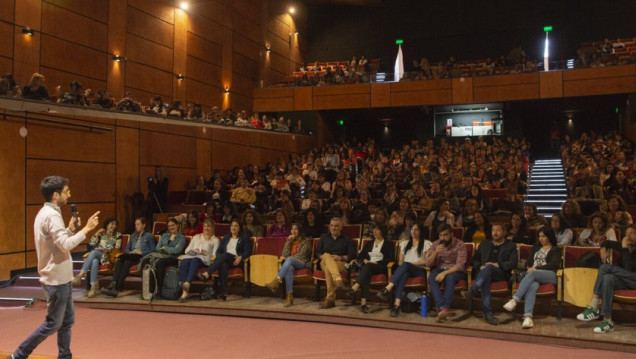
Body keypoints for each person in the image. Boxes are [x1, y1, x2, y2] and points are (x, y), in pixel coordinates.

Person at [9, 176, 100, 359]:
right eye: (67, 191)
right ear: (56, 195)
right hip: (56, 279)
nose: (69, 195)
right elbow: (65, 246)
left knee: (66, 322)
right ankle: (18, 355)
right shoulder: (51, 215)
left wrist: (69, 229)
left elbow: (56, 243)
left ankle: (64, 356)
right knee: (52, 324)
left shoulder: (46, 213)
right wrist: (86, 230)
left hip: (61, 277)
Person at [576, 225, 636, 333]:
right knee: (608, 278)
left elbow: (630, 266)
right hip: (627, 280)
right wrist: (603, 250)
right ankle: (607, 320)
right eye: (627, 234)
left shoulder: (625, 246)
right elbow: (605, 243)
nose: (629, 236)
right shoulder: (625, 244)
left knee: (605, 267)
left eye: (632, 233)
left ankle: (594, 305)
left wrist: (625, 249)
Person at [503, 226, 562, 329]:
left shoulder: (556, 249)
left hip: (550, 275)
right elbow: (529, 263)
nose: (541, 239)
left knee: (533, 274)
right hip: (533, 276)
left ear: (549, 236)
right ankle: (528, 317)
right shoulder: (535, 248)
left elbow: (554, 265)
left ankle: (515, 300)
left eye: (543, 236)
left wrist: (536, 269)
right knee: (532, 286)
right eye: (539, 236)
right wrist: (530, 268)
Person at [462, 223, 518, 325]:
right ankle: (487, 314)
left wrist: (498, 264)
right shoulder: (485, 244)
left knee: (490, 267)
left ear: (504, 232)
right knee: (486, 279)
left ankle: (473, 290)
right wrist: (480, 266)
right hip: (484, 274)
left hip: (500, 274)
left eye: (498, 230)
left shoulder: (510, 246)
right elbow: (474, 260)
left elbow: (513, 263)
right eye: (493, 230)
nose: (495, 233)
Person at [376, 223, 431, 317]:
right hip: (407, 270)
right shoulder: (405, 244)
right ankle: (396, 305)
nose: (413, 232)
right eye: (412, 229)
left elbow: (426, 261)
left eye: (416, 229)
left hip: (419, 270)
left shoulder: (426, 243)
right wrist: (407, 265)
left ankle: (387, 288)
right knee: (404, 274)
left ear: (420, 232)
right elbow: (400, 262)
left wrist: (411, 264)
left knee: (406, 265)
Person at [200, 220, 252, 300]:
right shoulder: (226, 237)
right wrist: (220, 258)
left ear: (239, 228)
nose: (233, 228)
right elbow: (218, 251)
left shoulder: (244, 238)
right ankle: (224, 293)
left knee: (226, 254)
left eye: (236, 226)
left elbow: (248, 252)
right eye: (232, 226)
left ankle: (207, 273)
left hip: (237, 261)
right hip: (226, 259)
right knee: (223, 264)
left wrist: (241, 257)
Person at [103, 217, 156, 297]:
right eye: (135, 224)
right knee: (120, 259)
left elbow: (153, 250)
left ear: (144, 225)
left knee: (126, 261)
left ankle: (117, 287)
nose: (136, 226)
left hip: (142, 256)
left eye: (138, 224)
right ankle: (114, 284)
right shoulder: (133, 236)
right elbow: (127, 249)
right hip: (132, 255)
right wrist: (130, 252)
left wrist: (141, 252)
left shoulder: (149, 236)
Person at [347, 226, 394, 313]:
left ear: (382, 231)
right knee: (367, 271)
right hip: (368, 267)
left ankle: (355, 287)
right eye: (374, 230)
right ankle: (363, 304)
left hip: (380, 267)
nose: (374, 232)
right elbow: (360, 256)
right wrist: (364, 260)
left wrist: (378, 262)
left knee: (367, 267)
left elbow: (391, 259)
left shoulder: (388, 244)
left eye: (377, 230)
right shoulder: (369, 243)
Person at [426, 223, 467, 322]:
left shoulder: (460, 244)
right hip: (440, 268)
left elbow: (460, 265)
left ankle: (443, 308)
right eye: (441, 235)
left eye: (445, 235)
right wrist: (436, 252)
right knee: (431, 278)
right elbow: (428, 263)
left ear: (451, 234)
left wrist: (445, 273)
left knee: (450, 278)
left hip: (455, 270)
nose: (443, 238)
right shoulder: (436, 244)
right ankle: (443, 308)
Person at [136, 218, 186, 299]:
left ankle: (159, 290)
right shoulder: (165, 236)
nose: (171, 227)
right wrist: (169, 248)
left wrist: (165, 247)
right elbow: (157, 248)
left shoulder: (181, 237)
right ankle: (146, 290)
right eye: (169, 226)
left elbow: (177, 250)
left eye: (173, 225)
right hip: (160, 255)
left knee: (159, 263)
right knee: (145, 260)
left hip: (173, 258)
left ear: (177, 225)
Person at [265, 223, 313, 306]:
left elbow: (302, 255)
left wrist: (289, 259)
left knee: (289, 260)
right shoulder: (290, 240)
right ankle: (289, 297)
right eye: (292, 229)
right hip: (291, 264)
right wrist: (289, 241)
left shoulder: (306, 241)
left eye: (296, 229)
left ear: (300, 231)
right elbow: (284, 254)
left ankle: (276, 280)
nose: (293, 231)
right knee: (289, 268)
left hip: (303, 263)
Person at [73, 217, 122, 297]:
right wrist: (97, 233)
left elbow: (117, 247)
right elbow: (91, 244)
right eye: (111, 224)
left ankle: (80, 275)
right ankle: (93, 287)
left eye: (115, 225)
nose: (113, 226)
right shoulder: (102, 234)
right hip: (99, 256)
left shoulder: (118, 235)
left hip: (108, 256)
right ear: (107, 225)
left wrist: (107, 249)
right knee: (94, 261)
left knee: (94, 252)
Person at [316, 217, 356, 309]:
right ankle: (337, 278)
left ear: (341, 227)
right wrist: (326, 257)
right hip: (324, 261)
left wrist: (340, 257)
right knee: (326, 255)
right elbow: (318, 253)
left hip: (341, 263)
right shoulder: (324, 237)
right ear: (329, 227)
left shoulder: (347, 239)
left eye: (336, 226)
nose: (334, 228)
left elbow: (352, 255)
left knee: (328, 268)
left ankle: (330, 299)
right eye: (332, 225)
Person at [178, 219, 219, 302]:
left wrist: (205, 253)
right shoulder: (196, 237)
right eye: (205, 226)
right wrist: (194, 251)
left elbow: (215, 255)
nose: (206, 228)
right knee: (184, 261)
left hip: (205, 260)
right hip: (192, 256)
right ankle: (184, 291)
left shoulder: (215, 240)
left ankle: (187, 284)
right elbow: (186, 251)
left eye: (209, 226)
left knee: (195, 260)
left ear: (213, 228)